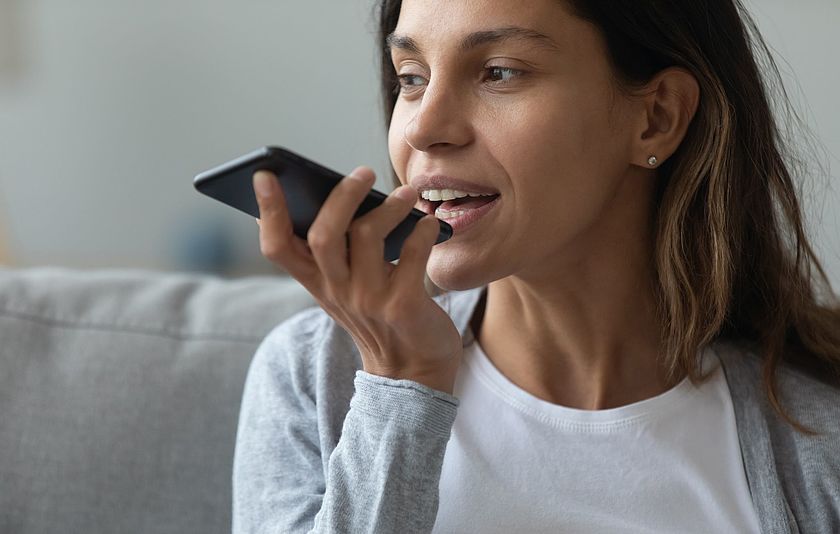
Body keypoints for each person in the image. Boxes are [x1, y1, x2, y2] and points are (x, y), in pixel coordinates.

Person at [232, 0, 840, 532]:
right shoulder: (314, 378)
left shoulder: (819, 436)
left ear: (657, 117)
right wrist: (402, 390)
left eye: (499, 72)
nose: (423, 128)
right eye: (411, 78)